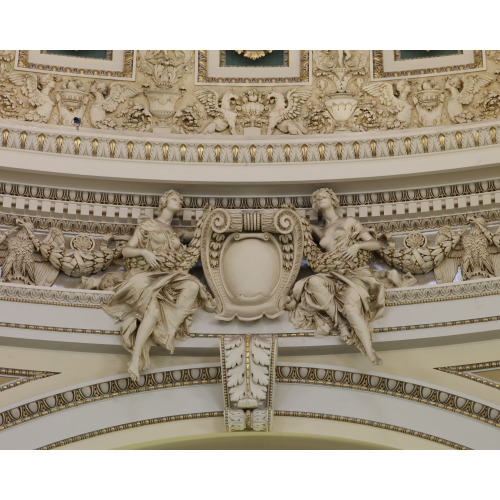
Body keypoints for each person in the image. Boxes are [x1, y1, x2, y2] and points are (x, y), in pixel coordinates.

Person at [103, 190, 214, 381]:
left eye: (180, 200)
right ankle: (135, 359)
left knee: (193, 287)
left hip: (167, 277)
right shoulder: (148, 224)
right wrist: (144, 253)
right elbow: (126, 250)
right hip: (144, 277)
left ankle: (165, 332)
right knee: (153, 311)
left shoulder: (175, 234)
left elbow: (187, 251)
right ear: (164, 202)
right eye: (174, 198)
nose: (179, 201)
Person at [287, 188, 384, 364]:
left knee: (350, 307)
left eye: (323, 195)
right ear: (315, 205)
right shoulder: (319, 231)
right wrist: (290, 213)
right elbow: (298, 224)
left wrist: (357, 247)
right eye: (316, 198)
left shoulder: (349, 222)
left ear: (332, 200)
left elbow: (375, 243)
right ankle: (341, 324)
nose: (319, 198)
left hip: (354, 274)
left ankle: (370, 351)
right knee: (314, 281)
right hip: (332, 274)